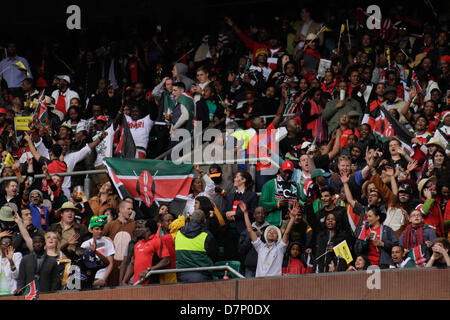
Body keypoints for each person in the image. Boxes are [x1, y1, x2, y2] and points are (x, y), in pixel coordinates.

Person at [242, 200, 296, 277]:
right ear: (265, 236)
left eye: (274, 232)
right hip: (260, 283)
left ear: (277, 238)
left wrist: (292, 218)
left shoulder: (280, 248)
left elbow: (287, 232)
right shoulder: (260, 247)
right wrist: (245, 213)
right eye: (269, 231)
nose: (271, 232)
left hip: (274, 283)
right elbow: (250, 230)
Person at [174, 209, 218, 283]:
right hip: (202, 276)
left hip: (180, 276)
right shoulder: (207, 236)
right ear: (204, 221)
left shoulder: (178, 234)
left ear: (190, 219)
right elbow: (214, 255)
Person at [122, 219, 170, 285]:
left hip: (150, 283)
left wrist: (149, 270)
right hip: (136, 283)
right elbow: (132, 263)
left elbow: (166, 261)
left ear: (147, 229)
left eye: (140, 227)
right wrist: (124, 280)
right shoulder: (137, 244)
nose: (137, 230)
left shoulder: (157, 241)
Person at [102, 200, 136, 287]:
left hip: (128, 264)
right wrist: (107, 239)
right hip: (113, 264)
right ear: (121, 209)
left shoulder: (134, 225)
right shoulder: (111, 225)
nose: (131, 211)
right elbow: (99, 238)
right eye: (128, 209)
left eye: (131, 209)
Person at [259, 159, 302, 227]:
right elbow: (262, 204)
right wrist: (277, 204)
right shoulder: (270, 184)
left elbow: (299, 203)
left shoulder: (296, 186)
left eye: (290, 172)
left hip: (292, 224)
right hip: (273, 224)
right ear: (280, 170)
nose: (287, 175)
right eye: (285, 172)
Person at [81, 215, 115, 288]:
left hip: (101, 277)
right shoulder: (85, 244)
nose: (99, 231)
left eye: (101, 229)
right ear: (91, 230)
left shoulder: (108, 242)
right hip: (88, 279)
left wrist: (103, 279)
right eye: (97, 229)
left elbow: (111, 263)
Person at [238, 206, 269, 278]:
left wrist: (263, 237)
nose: (260, 215)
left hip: (266, 267)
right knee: (249, 288)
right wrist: (251, 237)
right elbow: (241, 250)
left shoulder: (270, 230)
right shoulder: (246, 232)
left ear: (266, 215)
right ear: (254, 215)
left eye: (263, 213)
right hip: (250, 267)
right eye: (258, 213)